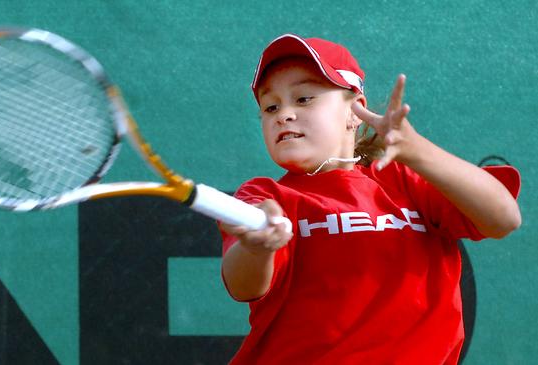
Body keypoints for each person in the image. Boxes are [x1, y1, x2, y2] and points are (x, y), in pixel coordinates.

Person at [219, 33, 522, 364]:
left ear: (355, 112)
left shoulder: (408, 182)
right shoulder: (265, 196)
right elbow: (244, 286)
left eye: (303, 99)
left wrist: (416, 150)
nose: (284, 114)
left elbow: (504, 219)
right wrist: (255, 247)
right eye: (271, 106)